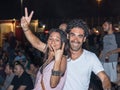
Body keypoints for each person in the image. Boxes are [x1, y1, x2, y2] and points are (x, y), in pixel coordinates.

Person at [21, 8, 111, 90]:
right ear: (68, 36)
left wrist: (107, 87)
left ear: (84, 39)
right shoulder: (58, 51)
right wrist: (25, 28)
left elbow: (104, 77)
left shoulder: (90, 57)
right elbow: (36, 43)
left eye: (80, 36)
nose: (76, 39)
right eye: (73, 35)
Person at [21, 7, 70, 90]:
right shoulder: (49, 52)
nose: (53, 42)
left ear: (63, 42)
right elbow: (36, 43)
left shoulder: (63, 59)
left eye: (57, 40)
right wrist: (25, 28)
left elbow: (53, 84)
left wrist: (57, 61)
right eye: (50, 38)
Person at [100, 19, 120, 84]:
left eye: (105, 25)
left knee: (113, 80)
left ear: (110, 25)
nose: (103, 27)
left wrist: (110, 52)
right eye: (103, 25)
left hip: (112, 61)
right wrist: (99, 58)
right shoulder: (104, 36)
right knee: (105, 80)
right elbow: (103, 48)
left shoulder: (117, 35)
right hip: (103, 61)